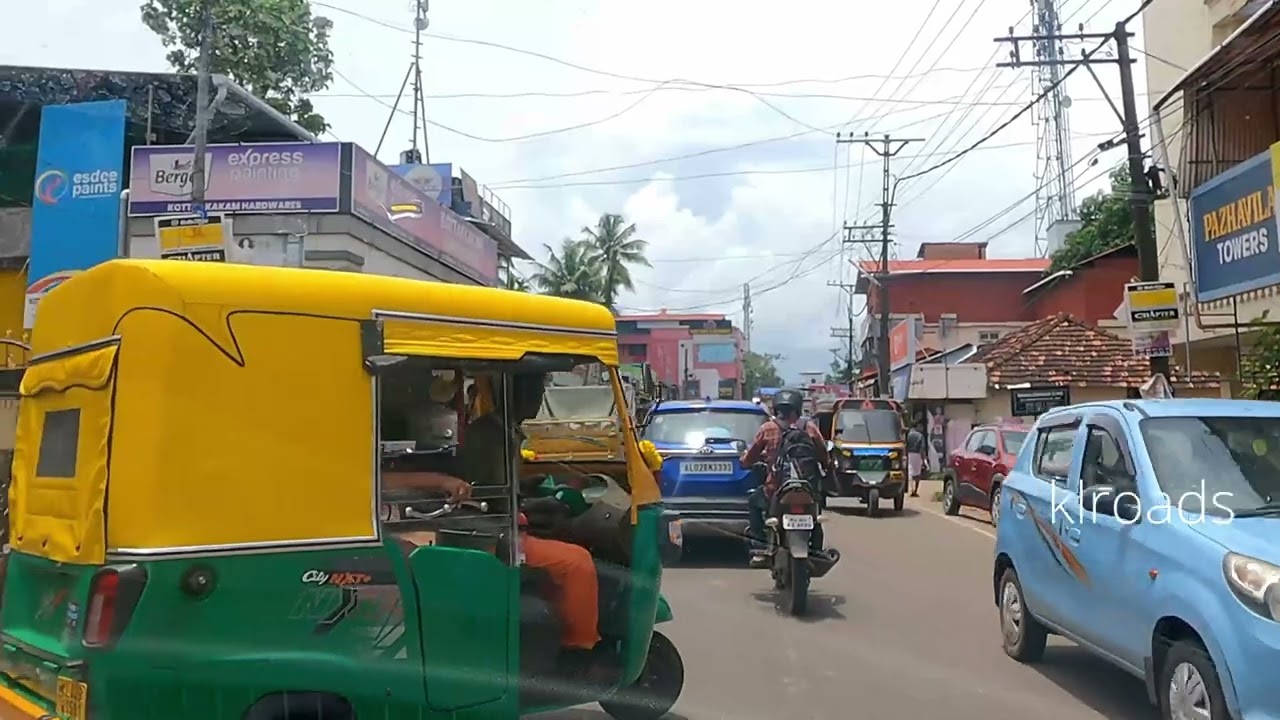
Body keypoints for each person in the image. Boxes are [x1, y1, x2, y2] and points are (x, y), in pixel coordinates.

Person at [385, 372, 602, 661]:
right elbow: (483, 489)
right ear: (516, 396)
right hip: (481, 531)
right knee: (578, 562)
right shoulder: (489, 435)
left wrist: (528, 487)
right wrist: (541, 501)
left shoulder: (502, 431)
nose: (536, 402)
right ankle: (580, 654)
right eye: (533, 394)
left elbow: (493, 485)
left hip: (485, 522)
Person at [740, 388, 833, 568]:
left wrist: (745, 462)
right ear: (798, 408)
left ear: (777, 408)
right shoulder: (810, 427)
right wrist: (827, 466)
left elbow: (749, 457)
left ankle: (760, 548)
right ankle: (817, 550)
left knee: (753, 501)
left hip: (775, 489)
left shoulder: (768, 428)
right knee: (815, 514)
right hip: (807, 488)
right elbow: (823, 455)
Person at [908, 421, 927, 497]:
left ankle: (911, 489)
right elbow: (922, 448)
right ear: (917, 426)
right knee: (917, 474)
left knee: (910, 472)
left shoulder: (908, 435)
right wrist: (923, 457)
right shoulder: (920, 436)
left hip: (909, 453)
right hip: (917, 455)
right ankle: (915, 490)